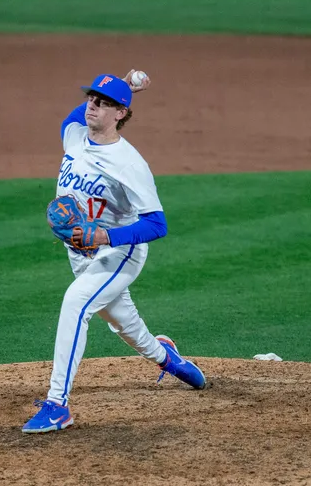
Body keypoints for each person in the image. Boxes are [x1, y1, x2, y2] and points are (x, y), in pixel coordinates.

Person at [22, 70, 205, 434]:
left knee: (76, 304)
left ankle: (58, 405)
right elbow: (71, 119)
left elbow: (157, 225)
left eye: (104, 103)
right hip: (80, 253)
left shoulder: (130, 164)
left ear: (121, 113)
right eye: (91, 98)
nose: (93, 106)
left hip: (119, 252)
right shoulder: (74, 137)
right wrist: (122, 85)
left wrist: (106, 236)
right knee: (123, 322)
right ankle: (165, 357)